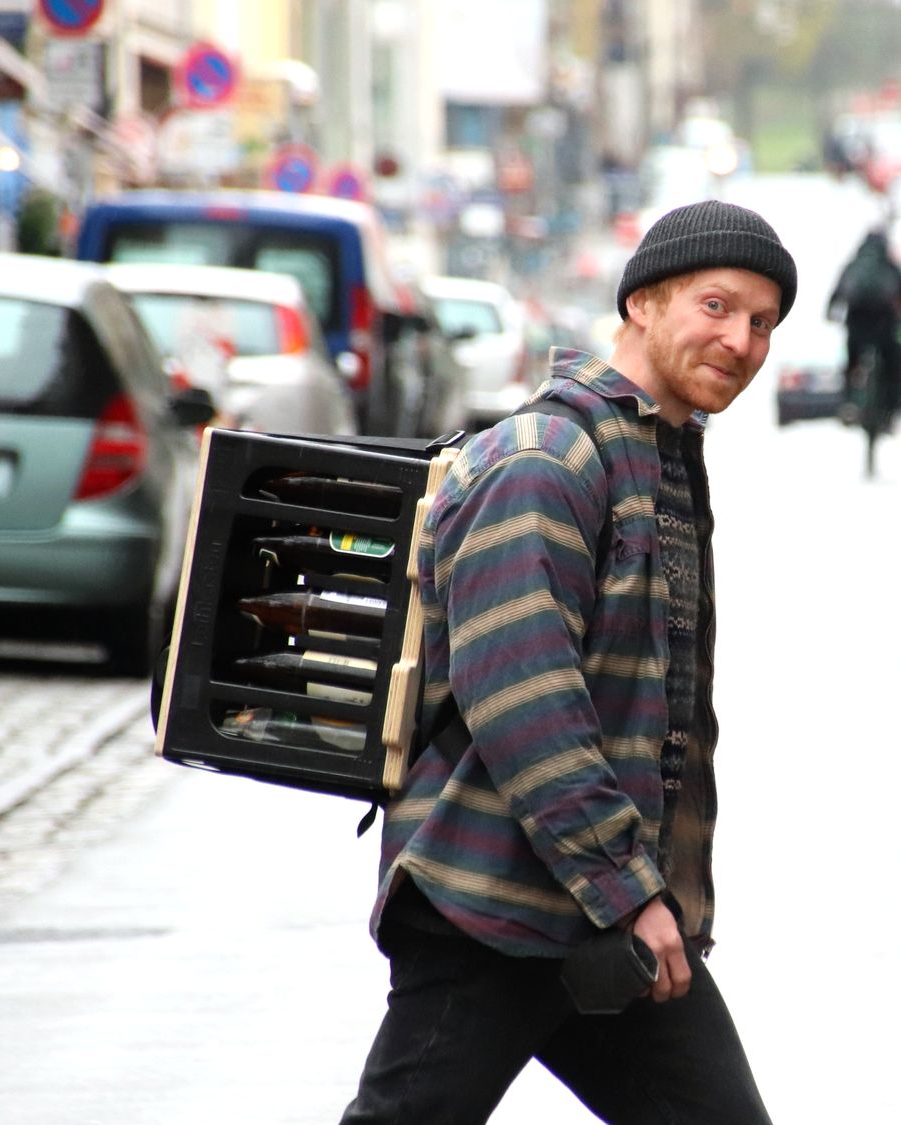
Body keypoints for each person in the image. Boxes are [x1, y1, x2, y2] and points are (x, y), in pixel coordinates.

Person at [339, 199, 795, 1125]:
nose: (742, 340)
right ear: (643, 304)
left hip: (592, 910)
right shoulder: (548, 459)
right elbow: (526, 703)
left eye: (762, 323)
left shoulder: (658, 458)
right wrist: (633, 892)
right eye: (717, 306)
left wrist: (640, 896)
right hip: (491, 907)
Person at [826, 228, 901, 435]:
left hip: (857, 323)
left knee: (852, 363)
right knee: (894, 366)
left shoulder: (854, 265)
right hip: (885, 325)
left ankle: (849, 401)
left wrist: (831, 313)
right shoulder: (890, 266)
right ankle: (893, 411)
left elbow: (836, 294)